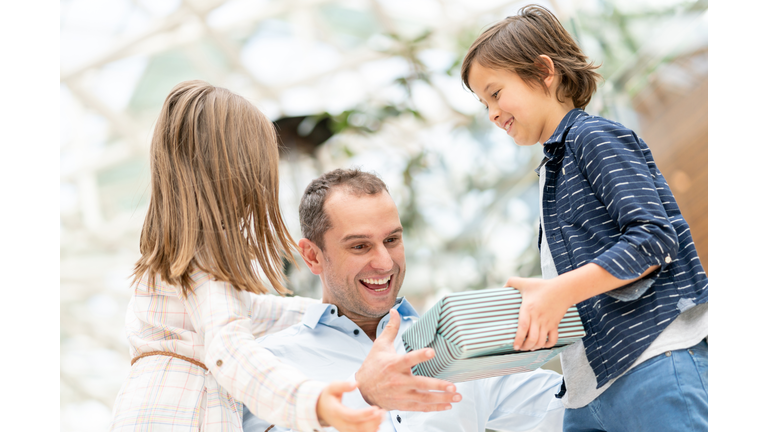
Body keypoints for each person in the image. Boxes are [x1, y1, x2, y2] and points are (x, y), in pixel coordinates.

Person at [108, 81, 458, 432]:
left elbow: (255, 311)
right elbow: (231, 352)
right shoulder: (201, 266)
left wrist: (334, 313)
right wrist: (316, 403)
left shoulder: (180, 263)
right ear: (230, 172)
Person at [459, 5, 708, 431]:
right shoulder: (551, 167)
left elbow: (653, 239)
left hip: (653, 359)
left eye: (495, 93)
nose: (492, 114)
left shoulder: (593, 138)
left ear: (543, 71)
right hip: (586, 391)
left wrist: (558, 293)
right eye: (484, 103)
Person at [242, 168, 565, 432]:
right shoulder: (270, 361)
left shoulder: (453, 342)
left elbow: (567, 411)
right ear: (313, 256)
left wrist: (578, 304)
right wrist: (363, 394)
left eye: (392, 240)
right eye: (360, 246)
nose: (384, 263)